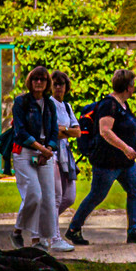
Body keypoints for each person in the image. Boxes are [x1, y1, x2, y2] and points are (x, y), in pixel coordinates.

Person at [64, 68, 136, 246]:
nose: (134, 88)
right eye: (133, 85)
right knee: (97, 195)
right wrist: (126, 147)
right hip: (108, 162)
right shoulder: (109, 104)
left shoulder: (123, 105)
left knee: (135, 191)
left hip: (125, 163)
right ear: (128, 87)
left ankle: (134, 231)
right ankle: (73, 228)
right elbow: (105, 131)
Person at [12, 66, 70, 252]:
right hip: (25, 151)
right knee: (34, 194)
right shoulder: (21, 102)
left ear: (47, 83)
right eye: (36, 79)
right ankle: (17, 231)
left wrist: (49, 149)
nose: (39, 82)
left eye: (43, 79)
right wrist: (42, 149)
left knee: (48, 197)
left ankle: (41, 241)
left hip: (45, 151)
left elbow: (54, 131)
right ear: (30, 81)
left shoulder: (49, 104)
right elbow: (20, 132)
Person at [50, 71, 80, 229]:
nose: (58, 87)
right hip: (52, 153)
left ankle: (45, 221)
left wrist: (64, 130)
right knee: (56, 196)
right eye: (55, 84)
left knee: (69, 197)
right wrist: (65, 131)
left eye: (61, 84)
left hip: (66, 155)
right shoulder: (48, 104)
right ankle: (53, 234)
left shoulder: (67, 107)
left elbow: (78, 131)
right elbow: (52, 131)